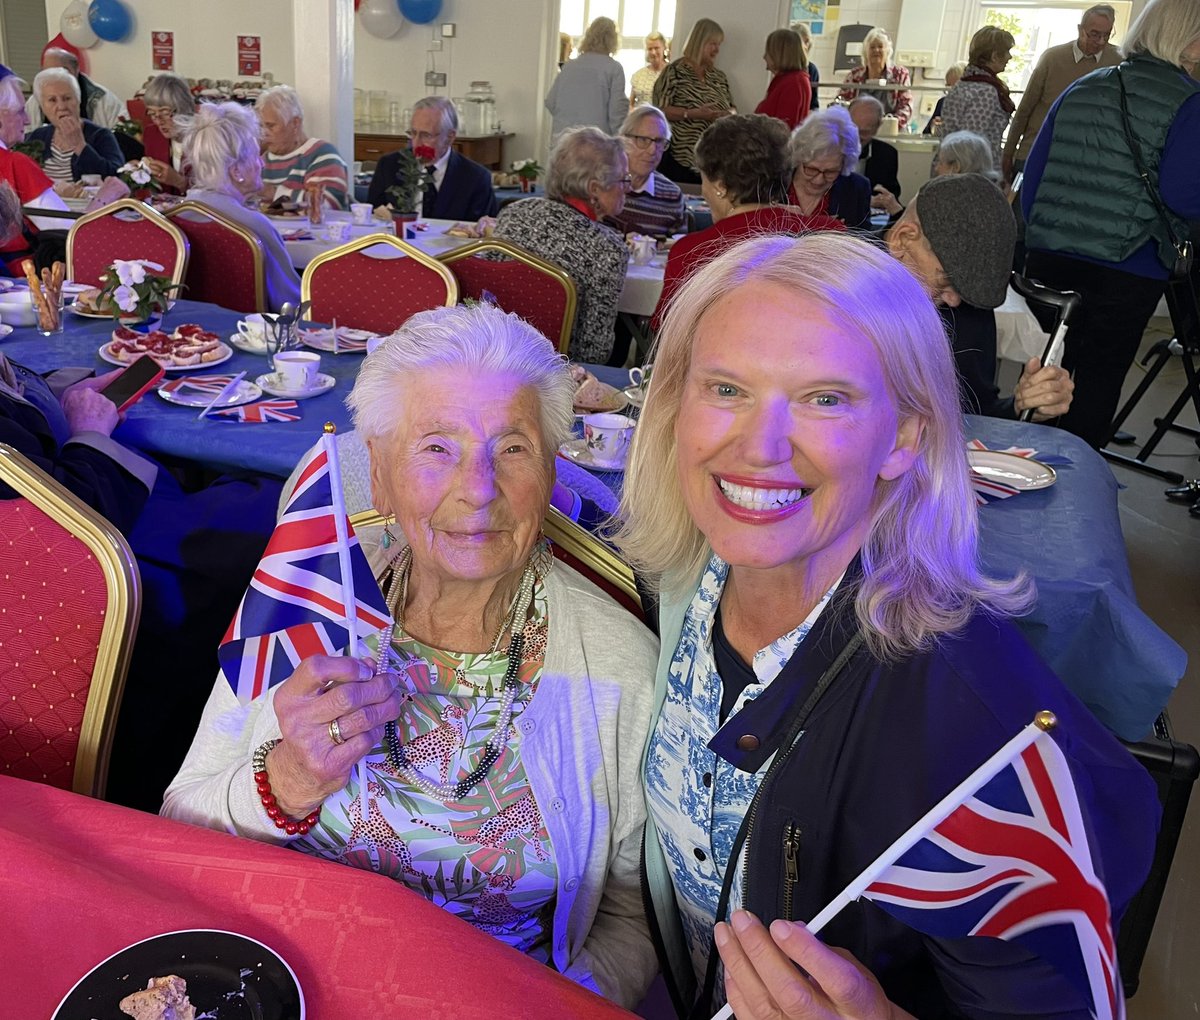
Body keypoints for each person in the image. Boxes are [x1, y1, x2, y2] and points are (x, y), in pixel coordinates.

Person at [614, 230, 1158, 1019]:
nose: (758, 447)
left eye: (824, 398)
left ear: (904, 436)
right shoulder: (674, 586)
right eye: (726, 389)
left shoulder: (975, 723)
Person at [162, 302, 659, 1009]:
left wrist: (543, 1001)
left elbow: (630, 918)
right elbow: (179, 822)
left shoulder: (621, 670)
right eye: (436, 447)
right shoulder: (309, 613)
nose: (479, 489)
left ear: (551, 468)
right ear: (382, 473)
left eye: (513, 447)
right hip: (275, 985)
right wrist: (286, 781)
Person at [1023, 0, 1200, 449]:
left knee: (1048, 374)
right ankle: (1077, 491)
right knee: (1100, 379)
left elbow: (1034, 179)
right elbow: (1181, 194)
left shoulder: (1085, 85)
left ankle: (1023, 468)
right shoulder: (1189, 102)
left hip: (1051, 257)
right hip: (1129, 262)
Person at [888, 173, 1073, 420]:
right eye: (946, 280)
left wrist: (1023, 407)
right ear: (903, 240)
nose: (953, 300)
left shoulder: (966, 307)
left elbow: (976, 415)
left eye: (962, 290)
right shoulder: (835, 291)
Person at [653, 113, 842, 331]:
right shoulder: (829, 234)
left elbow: (667, 331)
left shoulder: (692, 252)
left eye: (703, 178)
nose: (704, 190)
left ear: (720, 186)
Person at [492, 127, 630, 364]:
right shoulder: (608, 248)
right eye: (623, 180)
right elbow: (594, 353)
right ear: (594, 189)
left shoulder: (512, 214)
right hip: (555, 372)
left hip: (494, 354)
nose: (628, 189)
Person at [179, 102, 301, 313]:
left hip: (188, 332)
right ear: (236, 171)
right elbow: (291, 303)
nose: (262, 164)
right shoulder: (253, 226)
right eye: (256, 156)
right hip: (254, 336)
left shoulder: (175, 217)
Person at [1002, 5, 1121, 183]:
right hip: (1035, 150)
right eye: (1094, 34)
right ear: (1080, 30)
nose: (1101, 41)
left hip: (1082, 159)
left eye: (1107, 34)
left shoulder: (1118, 62)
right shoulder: (1052, 58)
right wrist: (1009, 152)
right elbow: (1025, 109)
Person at [367, 97, 498, 220]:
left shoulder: (475, 178)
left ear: (450, 137)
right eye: (413, 133)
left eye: (426, 135)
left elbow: (481, 233)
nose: (416, 143)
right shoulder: (389, 165)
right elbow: (372, 216)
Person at [0, 74, 69, 274]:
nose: (28, 120)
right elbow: (71, 230)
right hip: (18, 281)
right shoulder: (14, 163)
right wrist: (105, 197)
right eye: (20, 112)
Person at [652, 19, 734, 185]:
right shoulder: (674, 72)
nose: (717, 49)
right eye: (713, 44)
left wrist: (727, 114)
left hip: (714, 161)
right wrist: (692, 114)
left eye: (719, 45)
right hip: (681, 158)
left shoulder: (718, 76)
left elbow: (732, 108)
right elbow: (660, 110)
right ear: (700, 42)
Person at [255, 85, 349, 211]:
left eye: (270, 126)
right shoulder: (260, 159)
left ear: (295, 123)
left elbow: (326, 206)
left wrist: (272, 193)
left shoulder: (322, 155)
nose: (263, 133)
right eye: (260, 126)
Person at [27, 67, 123, 186]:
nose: (62, 106)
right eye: (52, 100)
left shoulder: (101, 135)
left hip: (88, 204)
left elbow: (117, 177)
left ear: (78, 100)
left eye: (67, 98)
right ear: (42, 106)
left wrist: (80, 146)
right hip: (43, 204)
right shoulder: (37, 136)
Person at [873, 129, 998, 218]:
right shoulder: (993, 196)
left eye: (940, 162)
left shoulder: (944, 199)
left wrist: (896, 210)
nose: (937, 168)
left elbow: (915, 236)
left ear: (955, 167)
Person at [603, 105, 685, 237]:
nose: (652, 150)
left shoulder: (672, 195)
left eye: (659, 141)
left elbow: (679, 249)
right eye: (643, 140)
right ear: (624, 140)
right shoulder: (602, 185)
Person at [941, 26, 1016, 171]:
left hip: (950, 168)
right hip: (971, 175)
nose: (1010, 57)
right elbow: (971, 146)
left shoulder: (963, 84)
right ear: (994, 56)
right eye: (1007, 52)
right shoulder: (985, 91)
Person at [786, 106, 871, 230]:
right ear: (799, 158)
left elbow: (863, 241)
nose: (819, 180)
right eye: (811, 169)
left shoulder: (857, 188)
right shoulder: (773, 181)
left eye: (830, 172)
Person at [545, 17, 627, 138]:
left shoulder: (569, 66)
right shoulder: (614, 69)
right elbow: (617, 114)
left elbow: (551, 102)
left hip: (563, 140)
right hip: (596, 142)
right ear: (613, 40)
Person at [24, 47, 126, 130]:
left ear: (76, 69)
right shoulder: (35, 102)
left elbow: (124, 133)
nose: (61, 107)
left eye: (67, 98)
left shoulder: (102, 98)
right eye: (48, 73)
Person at [836, 28, 913, 129]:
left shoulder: (900, 74)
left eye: (880, 47)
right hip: (858, 132)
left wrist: (888, 126)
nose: (876, 50)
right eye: (872, 47)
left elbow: (906, 107)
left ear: (888, 51)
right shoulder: (854, 76)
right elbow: (840, 105)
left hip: (889, 134)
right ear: (865, 52)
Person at [140, 72, 196, 194]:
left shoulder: (205, 137)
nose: (158, 121)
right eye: (152, 113)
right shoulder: (152, 134)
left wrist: (180, 182)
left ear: (183, 109)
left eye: (165, 112)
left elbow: (218, 195)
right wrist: (139, 174)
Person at [754, 29, 810, 131]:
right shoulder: (786, 80)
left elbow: (784, 128)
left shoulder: (794, 83)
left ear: (779, 54)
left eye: (768, 52)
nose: (764, 57)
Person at [848, 96, 900, 199]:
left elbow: (892, 192)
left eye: (864, 132)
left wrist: (882, 200)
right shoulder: (830, 149)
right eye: (852, 129)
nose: (856, 137)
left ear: (877, 127)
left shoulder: (887, 154)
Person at [923, 62, 966, 134]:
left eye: (955, 88)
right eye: (949, 87)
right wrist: (933, 126)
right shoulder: (943, 103)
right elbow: (926, 134)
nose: (952, 93)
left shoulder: (974, 106)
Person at [631, 32, 669, 108]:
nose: (653, 52)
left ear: (664, 47)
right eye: (650, 49)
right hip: (640, 117)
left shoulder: (672, 73)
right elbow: (630, 103)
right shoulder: (638, 75)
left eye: (656, 48)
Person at [795, 23, 821, 111]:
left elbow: (813, 104)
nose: (806, 46)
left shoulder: (812, 69)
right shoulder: (783, 69)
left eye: (807, 42)